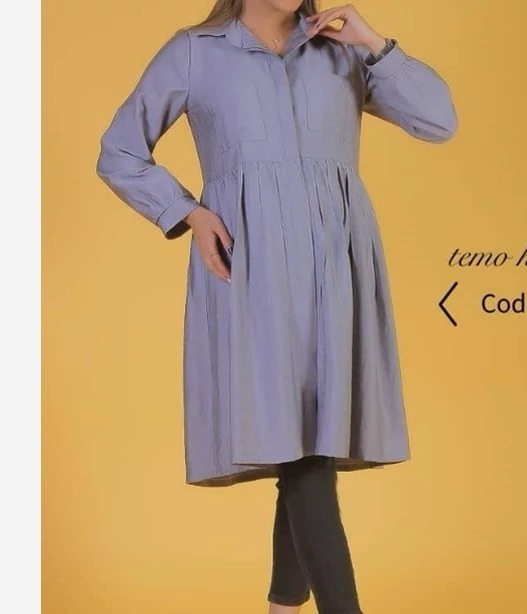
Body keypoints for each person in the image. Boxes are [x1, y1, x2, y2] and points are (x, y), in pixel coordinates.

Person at [96, 1, 458, 612]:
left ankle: (282, 606)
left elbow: (439, 121)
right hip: (252, 269)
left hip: (337, 266)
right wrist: (188, 212)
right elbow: (119, 151)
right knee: (304, 453)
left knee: (309, 445)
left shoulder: (341, 50)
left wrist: (373, 41)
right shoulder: (195, 51)